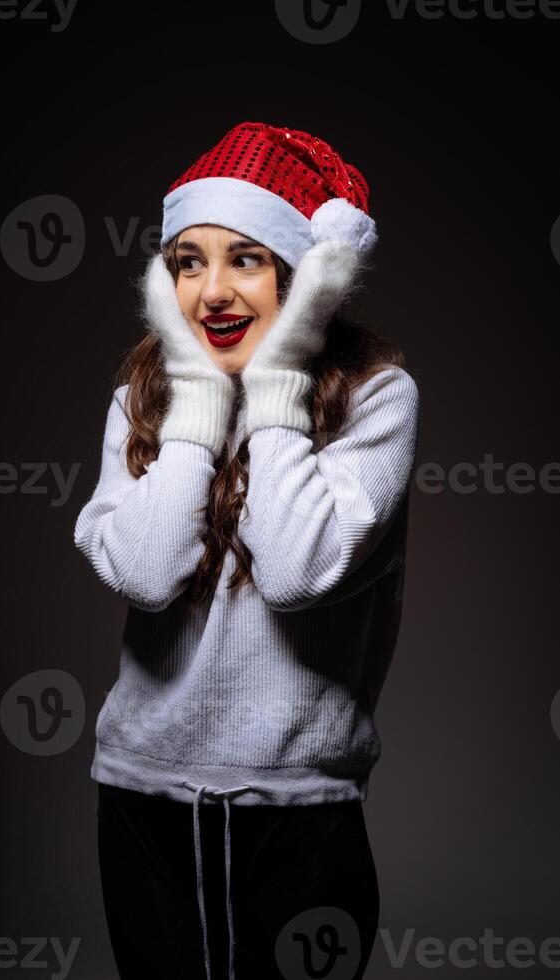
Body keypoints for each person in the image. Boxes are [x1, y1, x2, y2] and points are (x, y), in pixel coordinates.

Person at [74, 121, 421, 980]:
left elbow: (300, 571)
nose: (212, 291)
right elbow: (149, 575)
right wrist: (194, 410)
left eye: (246, 259)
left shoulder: (377, 397)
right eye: (188, 261)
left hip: (300, 808)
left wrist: (275, 388)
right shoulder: (143, 399)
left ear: (306, 279)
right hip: (140, 797)